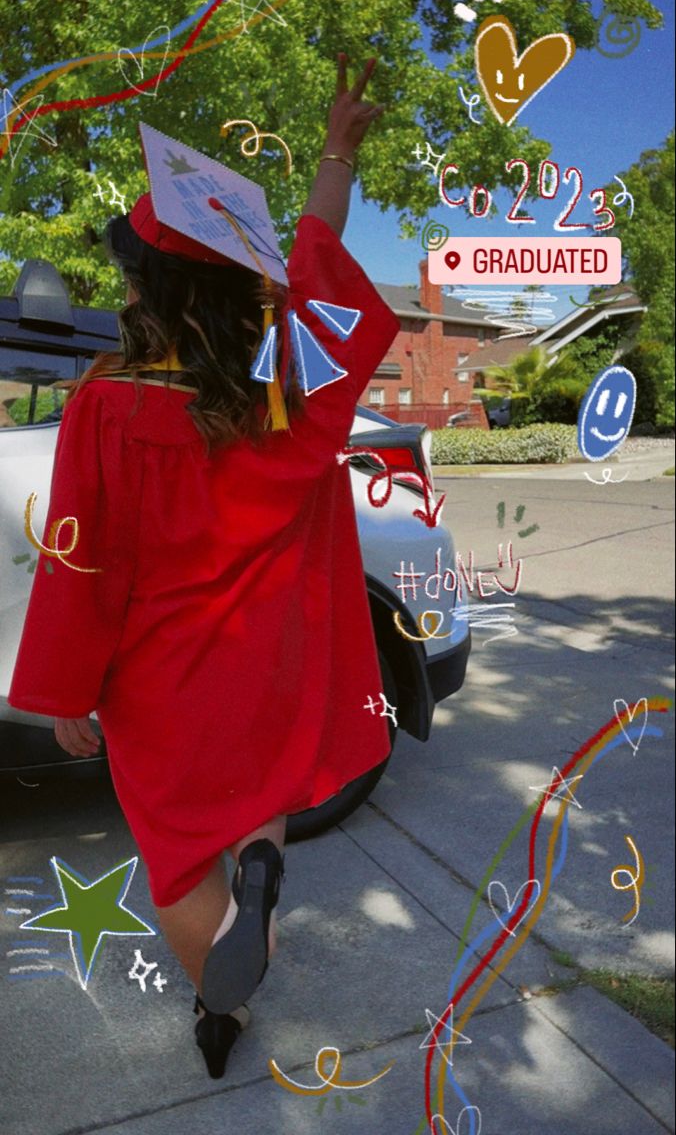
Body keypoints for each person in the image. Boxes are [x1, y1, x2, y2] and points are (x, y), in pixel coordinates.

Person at [8, 53, 400, 1078]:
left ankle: (218, 1008)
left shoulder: (111, 403)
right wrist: (336, 152)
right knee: (257, 783)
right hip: (267, 655)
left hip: (163, 673)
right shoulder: (289, 391)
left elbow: (78, 563)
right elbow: (317, 258)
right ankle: (263, 861)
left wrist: (62, 688)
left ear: (146, 287)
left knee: (179, 854)